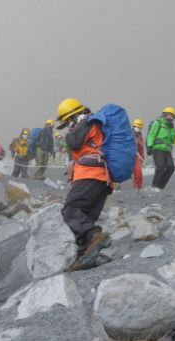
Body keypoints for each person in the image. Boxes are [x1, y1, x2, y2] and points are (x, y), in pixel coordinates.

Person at [57, 98, 111, 271]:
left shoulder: (86, 122)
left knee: (70, 210)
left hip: (90, 174)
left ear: (72, 116)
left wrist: (70, 133)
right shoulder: (92, 123)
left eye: (66, 122)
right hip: (101, 178)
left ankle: (95, 235)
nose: (67, 126)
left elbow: (75, 143)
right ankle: (84, 257)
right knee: (85, 216)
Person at [146, 107, 175, 190]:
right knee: (160, 166)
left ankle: (160, 186)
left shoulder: (171, 127)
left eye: (172, 116)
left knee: (171, 167)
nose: (171, 117)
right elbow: (151, 135)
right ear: (165, 114)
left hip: (167, 149)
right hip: (158, 148)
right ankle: (155, 185)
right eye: (170, 115)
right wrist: (149, 146)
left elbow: (173, 140)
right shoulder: (158, 123)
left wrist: (172, 129)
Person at [132, 118, 145, 190]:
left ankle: (138, 188)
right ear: (134, 126)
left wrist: (142, 158)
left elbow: (141, 148)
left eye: (140, 128)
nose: (138, 129)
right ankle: (116, 187)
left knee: (138, 173)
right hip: (127, 155)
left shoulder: (140, 137)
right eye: (137, 127)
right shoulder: (127, 134)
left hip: (135, 156)